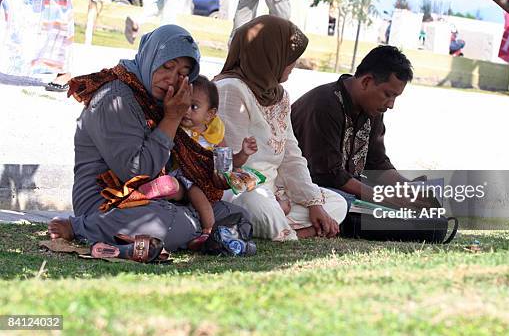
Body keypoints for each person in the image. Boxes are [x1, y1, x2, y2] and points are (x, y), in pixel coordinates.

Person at [47, 25, 252, 254]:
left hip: (161, 198)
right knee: (174, 223)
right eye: (167, 66)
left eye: (182, 74)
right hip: (108, 203)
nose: (171, 78)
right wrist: (172, 118)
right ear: (150, 58)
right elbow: (136, 172)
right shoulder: (115, 97)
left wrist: (186, 192)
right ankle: (81, 228)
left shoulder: (160, 100)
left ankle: (172, 237)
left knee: (238, 215)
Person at [214, 15, 347, 241]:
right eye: (289, 57)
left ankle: (282, 228)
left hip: (274, 191)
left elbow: (291, 155)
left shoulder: (278, 95)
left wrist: (313, 203)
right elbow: (227, 167)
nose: (293, 64)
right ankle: (299, 233)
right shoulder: (230, 89)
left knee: (337, 203)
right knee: (256, 206)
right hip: (241, 191)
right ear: (268, 55)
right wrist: (272, 200)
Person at [291, 45, 432, 213]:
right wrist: (386, 198)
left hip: (343, 188)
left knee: (417, 211)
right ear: (366, 81)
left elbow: (376, 162)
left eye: (395, 97)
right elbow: (329, 175)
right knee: (347, 205)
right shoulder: (324, 104)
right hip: (311, 190)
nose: (391, 104)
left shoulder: (373, 109)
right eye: (388, 94)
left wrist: (407, 189)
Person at [138, 75, 259, 250]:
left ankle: (169, 191)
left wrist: (243, 153)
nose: (186, 111)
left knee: (195, 192)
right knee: (195, 193)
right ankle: (207, 230)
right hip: (180, 173)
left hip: (203, 179)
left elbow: (227, 163)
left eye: (194, 107)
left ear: (210, 114)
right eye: (184, 104)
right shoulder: (176, 126)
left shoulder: (214, 134)